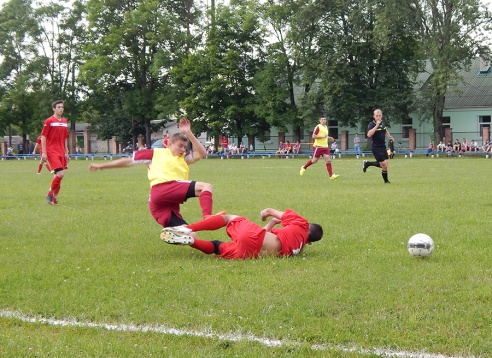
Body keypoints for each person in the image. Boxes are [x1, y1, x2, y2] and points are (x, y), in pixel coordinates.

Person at [89, 118, 217, 228]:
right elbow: (128, 161)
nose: (183, 149)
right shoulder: (154, 153)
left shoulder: (183, 158)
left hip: (159, 203)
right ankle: (208, 218)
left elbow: (202, 153)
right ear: (169, 144)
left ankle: (214, 247)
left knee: (187, 233)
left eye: (185, 147)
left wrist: (188, 133)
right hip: (163, 188)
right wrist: (102, 165)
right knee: (206, 186)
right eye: (180, 146)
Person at [160, 208, 323, 260]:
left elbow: (270, 211)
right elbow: (268, 239)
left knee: (228, 218)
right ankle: (191, 242)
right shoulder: (298, 248)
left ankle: (188, 228)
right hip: (249, 254)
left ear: (308, 226)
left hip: (253, 236)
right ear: (309, 242)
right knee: (217, 246)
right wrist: (271, 224)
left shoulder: (302, 224)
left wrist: (267, 215)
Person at [41, 100, 70, 205]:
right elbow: (43, 137)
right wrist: (44, 153)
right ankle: (49, 194)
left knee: (57, 177)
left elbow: (65, 138)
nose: (61, 109)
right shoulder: (49, 121)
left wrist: (67, 152)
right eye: (58, 107)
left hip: (61, 152)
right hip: (52, 151)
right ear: (54, 108)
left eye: (62, 107)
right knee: (61, 174)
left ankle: (53, 199)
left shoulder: (64, 121)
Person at [362, 109, 393, 184]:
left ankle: (367, 163)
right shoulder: (371, 124)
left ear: (382, 116)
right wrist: (377, 125)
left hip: (383, 146)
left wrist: (390, 137)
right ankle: (386, 181)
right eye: (377, 116)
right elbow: (369, 134)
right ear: (374, 116)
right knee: (384, 165)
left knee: (385, 165)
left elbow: (385, 130)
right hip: (375, 147)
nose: (378, 117)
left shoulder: (383, 123)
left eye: (380, 115)